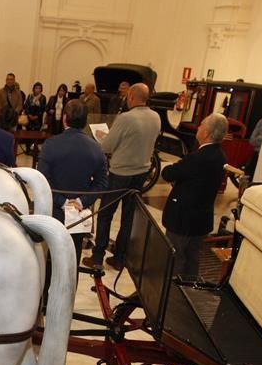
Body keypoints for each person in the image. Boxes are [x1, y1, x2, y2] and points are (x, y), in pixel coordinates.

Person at [87, 82, 161, 270]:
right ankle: (120, 258)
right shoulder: (156, 117)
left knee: (105, 214)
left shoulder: (126, 118)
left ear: (132, 98)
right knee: (128, 217)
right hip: (141, 173)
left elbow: (107, 147)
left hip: (120, 173)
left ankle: (97, 257)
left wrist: (104, 135)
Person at [37, 99, 108, 271]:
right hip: (79, 213)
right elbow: (101, 183)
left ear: (64, 118)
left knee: (49, 262)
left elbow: (42, 180)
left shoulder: (51, 144)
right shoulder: (96, 148)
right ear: (86, 120)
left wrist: (62, 201)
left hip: (54, 210)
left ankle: (46, 295)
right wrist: (81, 201)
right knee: (72, 261)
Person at [161, 113, 228, 278]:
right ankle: (190, 290)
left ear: (206, 133)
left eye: (201, 125)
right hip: (201, 218)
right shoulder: (221, 156)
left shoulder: (197, 158)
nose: (198, 128)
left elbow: (168, 173)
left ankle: (173, 294)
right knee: (193, 259)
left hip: (183, 218)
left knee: (175, 259)